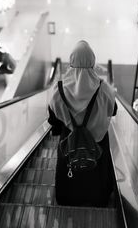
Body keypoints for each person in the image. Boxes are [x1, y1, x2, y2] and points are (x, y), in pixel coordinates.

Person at [48, 40, 117, 207]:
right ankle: (98, 199)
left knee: (69, 170)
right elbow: (112, 111)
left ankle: (67, 198)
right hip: (98, 142)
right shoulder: (104, 89)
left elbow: (53, 119)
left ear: (71, 62)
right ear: (92, 62)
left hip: (71, 141)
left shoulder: (59, 91)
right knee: (97, 174)